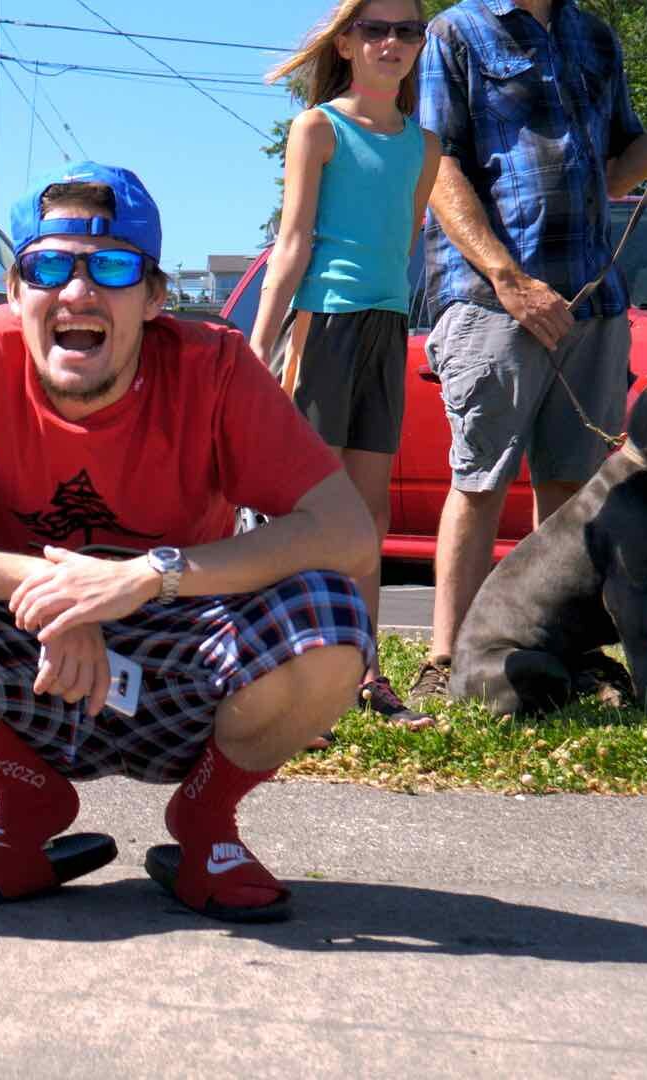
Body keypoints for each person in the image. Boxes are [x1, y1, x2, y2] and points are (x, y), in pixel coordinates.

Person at [0, 163, 378, 922]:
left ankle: (206, 821)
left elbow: (346, 533)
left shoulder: (214, 366)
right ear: (16, 290)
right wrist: (59, 594)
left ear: (154, 298)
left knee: (330, 615)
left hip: (183, 654)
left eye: (113, 267)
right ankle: (27, 807)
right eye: (49, 265)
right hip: (30, 658)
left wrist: (149, 577)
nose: (78, 292)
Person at [411, 0, 647, 705]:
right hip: (490, 297)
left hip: (591, 301)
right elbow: (435, 163)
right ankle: (446, 660)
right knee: (479, 481)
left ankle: (565, 655)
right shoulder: (456, 31)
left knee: (574, 488)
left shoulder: (593, 35)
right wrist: (507, 278)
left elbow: (619, 169)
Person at [250, 0, 441, 729]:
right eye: (375, 29)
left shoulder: (424, 147)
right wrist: (257, 347)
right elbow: (292, 243)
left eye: (407, 31)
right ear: (347, 42)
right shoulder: (317, 128)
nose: (391, 43)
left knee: (371, 515)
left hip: (387, 331)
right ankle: (297, 671)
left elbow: (407, 250)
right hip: (322, 326)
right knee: (310, 511)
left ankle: (364, 674)